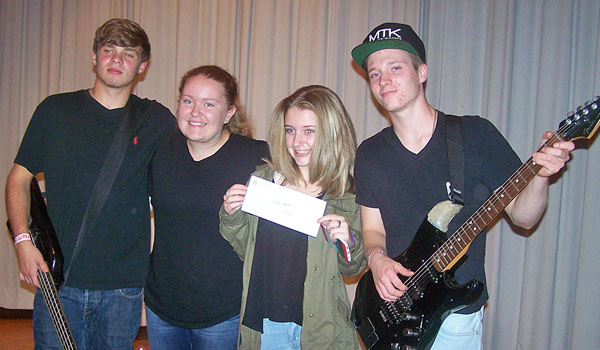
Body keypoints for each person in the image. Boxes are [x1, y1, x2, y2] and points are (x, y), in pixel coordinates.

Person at [350, 22, 575, 349]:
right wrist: (376, 259)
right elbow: (372, 230)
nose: (383, 79)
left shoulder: (474, 135)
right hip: (392, 312)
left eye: (395, 67)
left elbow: (524, 217)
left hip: (453, 319)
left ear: (422, 72)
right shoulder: (369, 154)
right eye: (374, 73)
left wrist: (540, 176)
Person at [5, 18, 176, 349]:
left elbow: (198, 156)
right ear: (94, 57)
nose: (116, 59)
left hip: (122, 288)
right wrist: (23, 242)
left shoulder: (155, 120)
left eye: (128, 54)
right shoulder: (54, 111)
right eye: (109, 50)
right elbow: (18, 179)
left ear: (143, 66)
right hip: (58, 282)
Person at [220, 85, 366, 349]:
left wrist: (348, 241)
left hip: (318, 325)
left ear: (332, 133)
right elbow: (248, 251)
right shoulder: (265, 180)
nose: (297, 142)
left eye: (309, 131)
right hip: (265, 323)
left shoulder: (346, 194)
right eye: (290, 130)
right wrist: (232, 214)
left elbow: (352, 267)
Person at [144, 65, 269, 349]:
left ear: (229, 112)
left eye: (209, 104)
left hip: (224, 311)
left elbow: (308, 188)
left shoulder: (256, 157)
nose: (195, 112)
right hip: (162, 306)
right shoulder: (160, 152)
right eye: (188, 101)